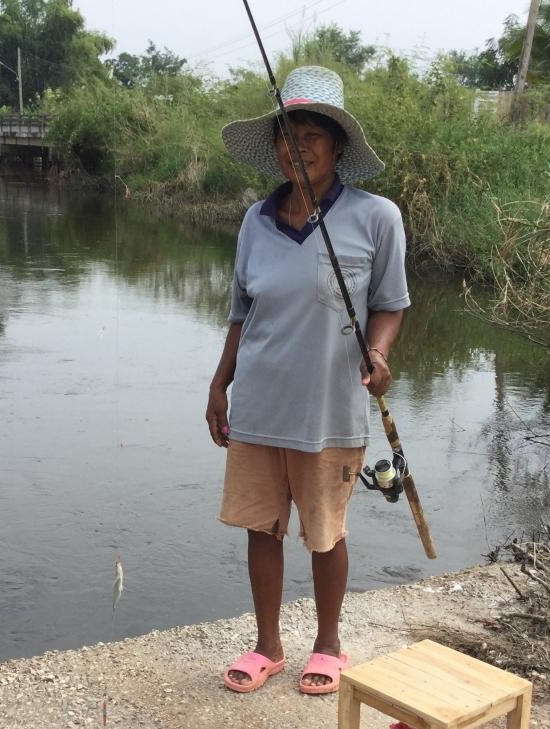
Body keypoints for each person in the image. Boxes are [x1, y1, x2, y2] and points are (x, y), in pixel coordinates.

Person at [206, 66, 410, 696]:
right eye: (286, 135)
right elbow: (241, 312)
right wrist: (219, 385)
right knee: (260, 527)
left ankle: (328, 646)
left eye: (312, 135)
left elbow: (390, 304)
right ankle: (268, 646)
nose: (296, 148)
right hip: (258, 402)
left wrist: (378, 354)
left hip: (330, 408)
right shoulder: (255, 220)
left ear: (338, 145)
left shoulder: (377, 217)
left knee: (326, 532)